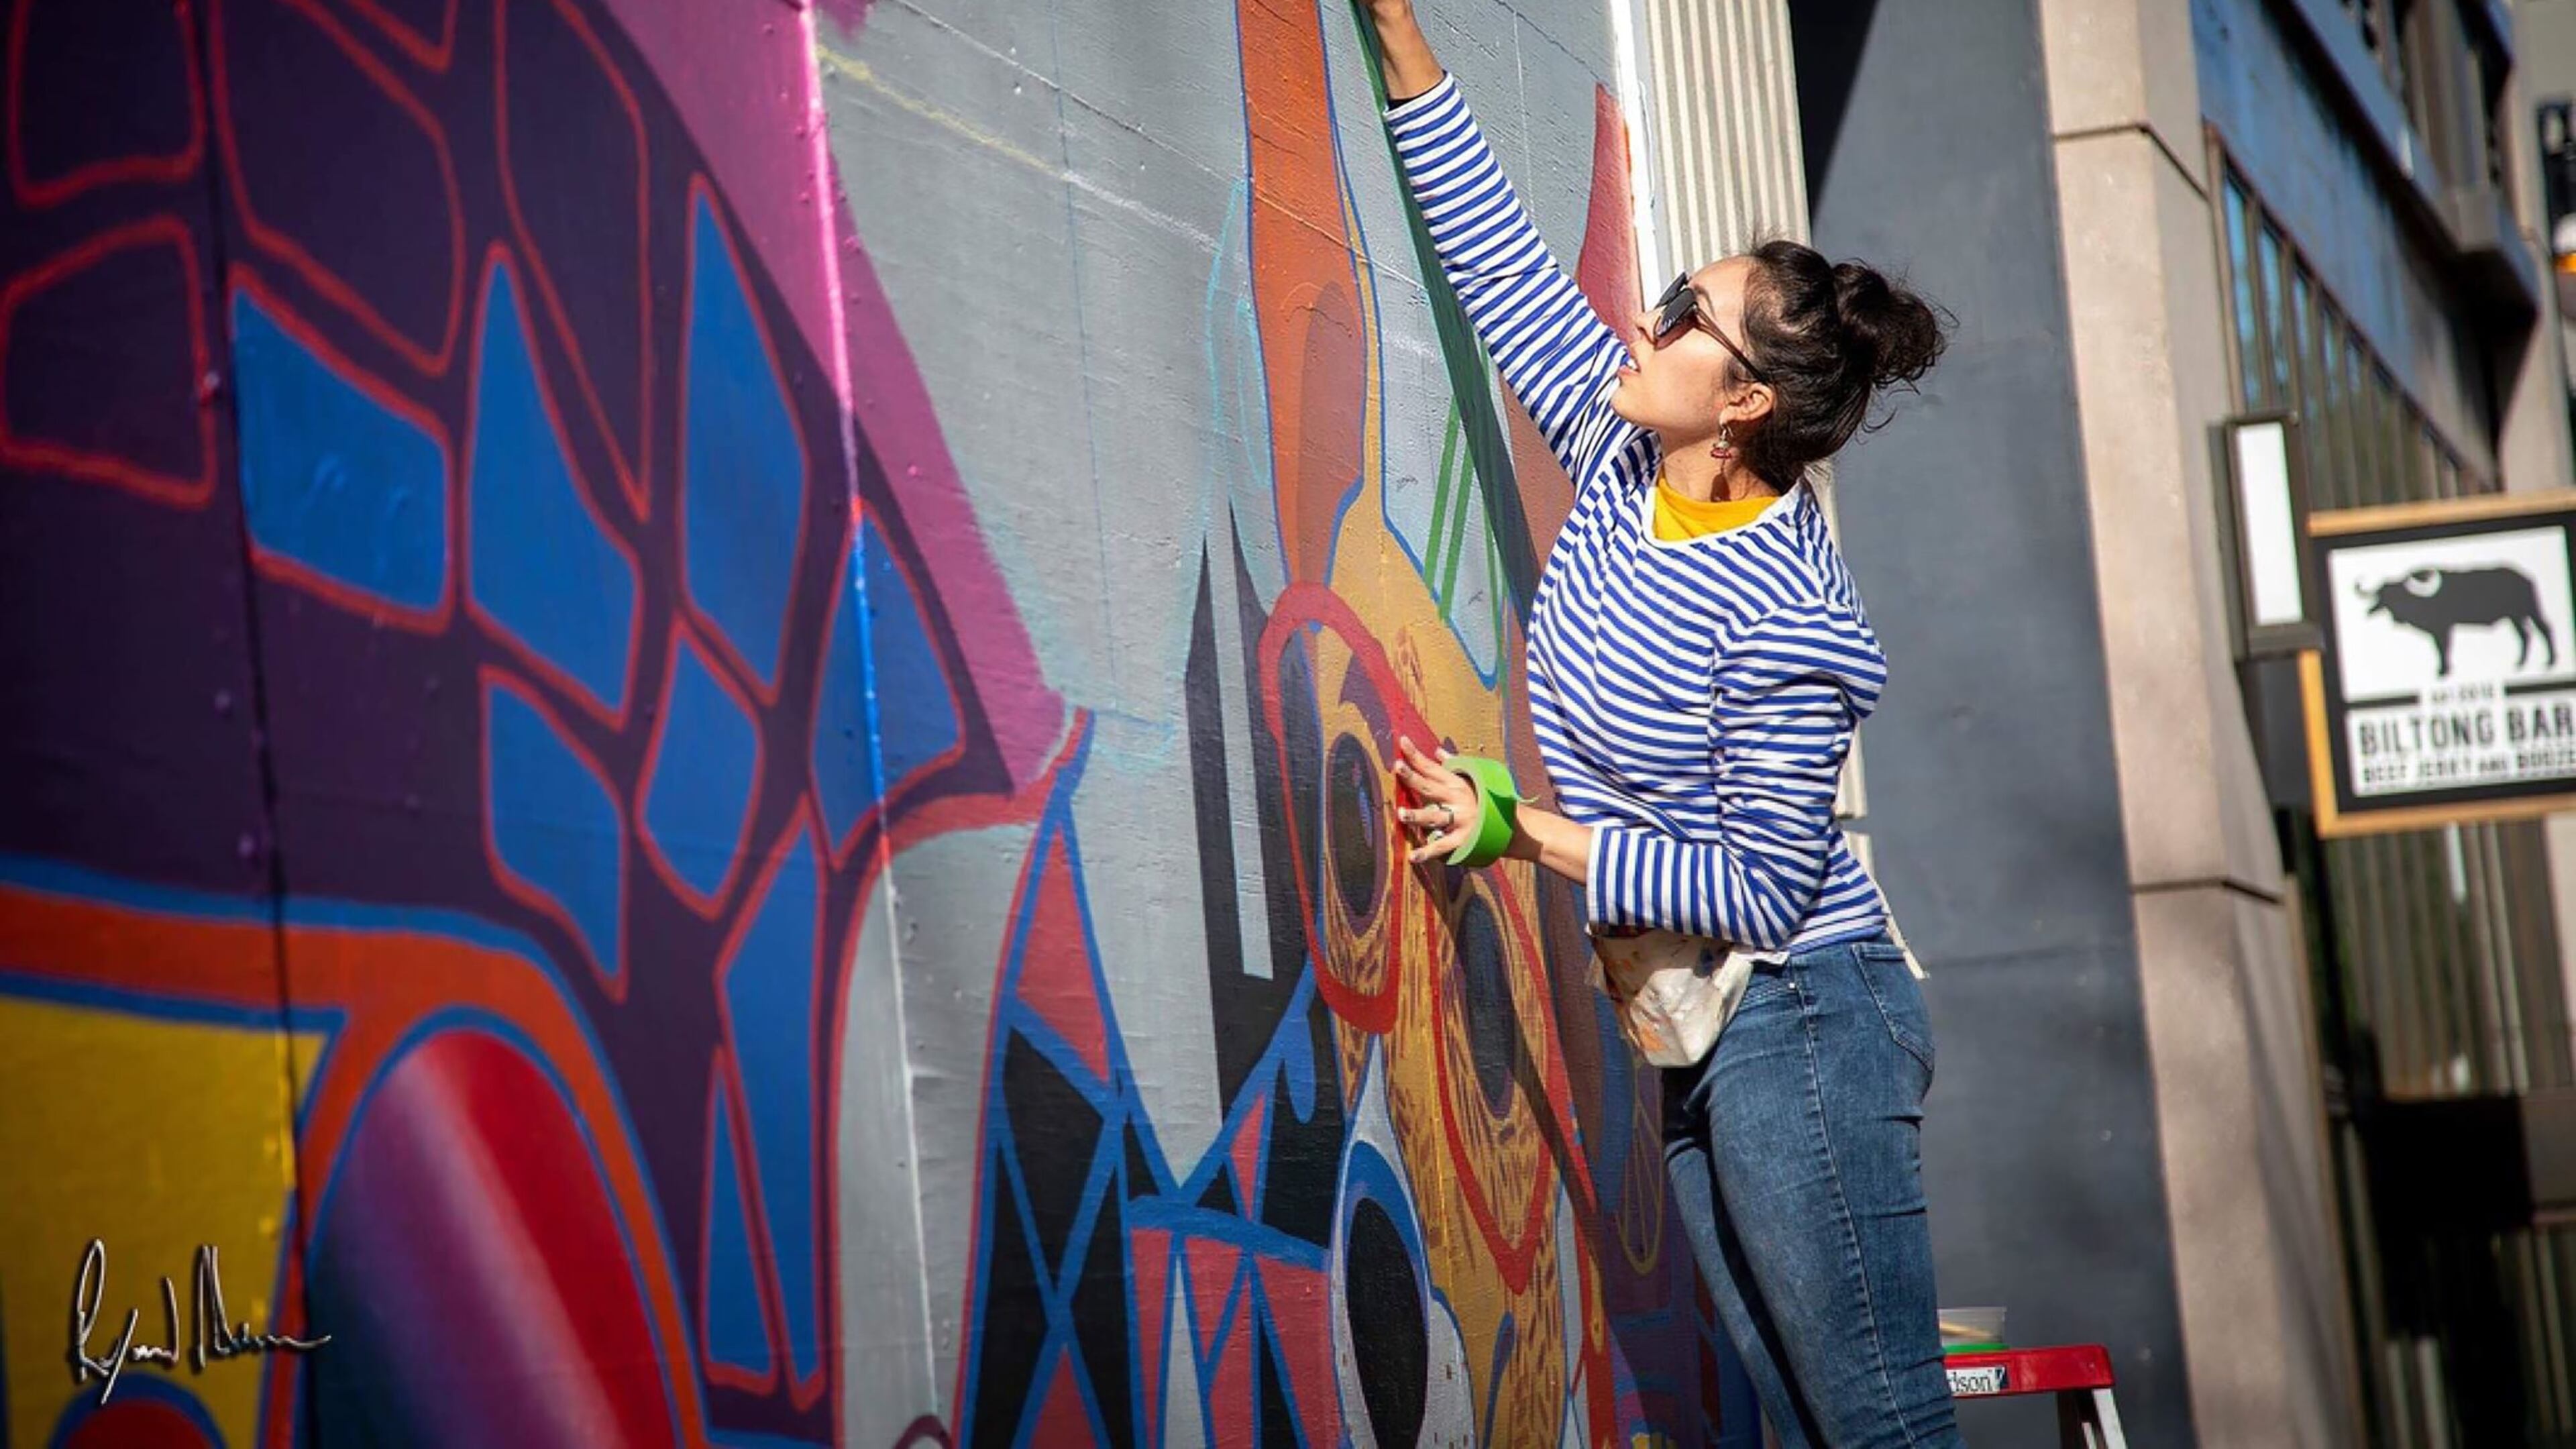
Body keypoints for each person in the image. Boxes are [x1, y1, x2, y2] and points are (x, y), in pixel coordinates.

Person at [1362, 3, 1961, 1445]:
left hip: (1805, 1016)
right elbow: (1503, 266)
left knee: (1878, 1427)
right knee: (1802, 1428)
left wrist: (1524, 832)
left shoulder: (1787, 613)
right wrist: (1396, 27)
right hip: (1701, 1028)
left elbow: (1761, 888)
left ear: (1741, 402)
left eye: (1688, 313)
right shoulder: (1628, 461)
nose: (1650, 315)